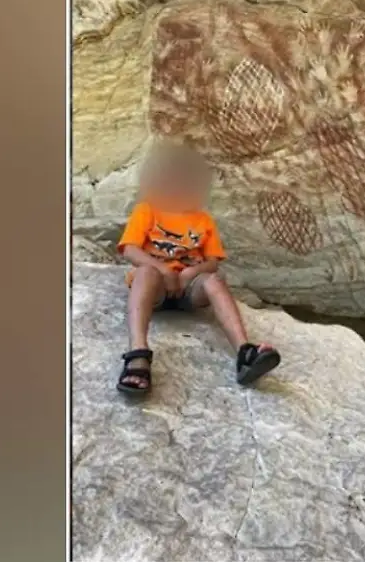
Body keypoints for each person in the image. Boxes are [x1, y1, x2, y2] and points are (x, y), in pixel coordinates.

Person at [114, 143, 280, 395]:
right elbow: (130, 250)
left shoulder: (202, 220)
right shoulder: (147, 210)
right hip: (155, 288)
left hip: (188, 289)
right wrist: (163, 270)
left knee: (214, 279)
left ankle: (244, 351)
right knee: (146, 273)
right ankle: (138, 353)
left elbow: (213, 260)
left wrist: (190, 273)